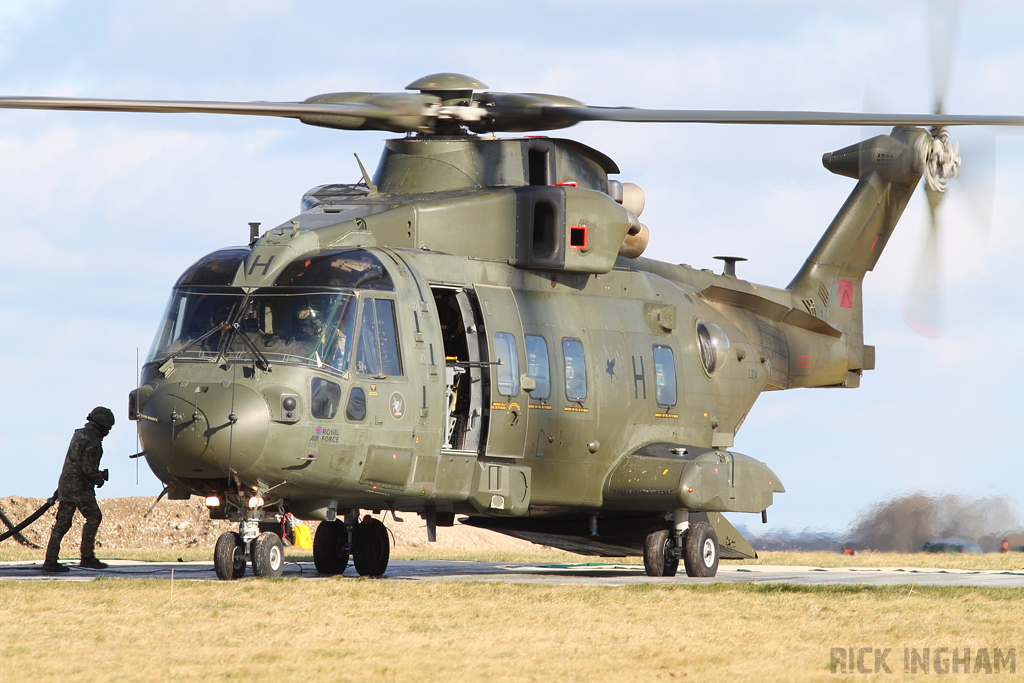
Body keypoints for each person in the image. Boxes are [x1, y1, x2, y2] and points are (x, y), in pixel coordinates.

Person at [42, 407, 115, 572]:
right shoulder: (93, 442)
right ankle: (87, 556)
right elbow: (88, 469)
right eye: (107, 428)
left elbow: (75, 463)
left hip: (66, 485)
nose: (107, 432)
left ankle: (50, 560)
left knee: (62, 523)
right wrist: (99, 479)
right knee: (94, 516)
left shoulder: (79, 434)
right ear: (101, 427)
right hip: (80, 488)